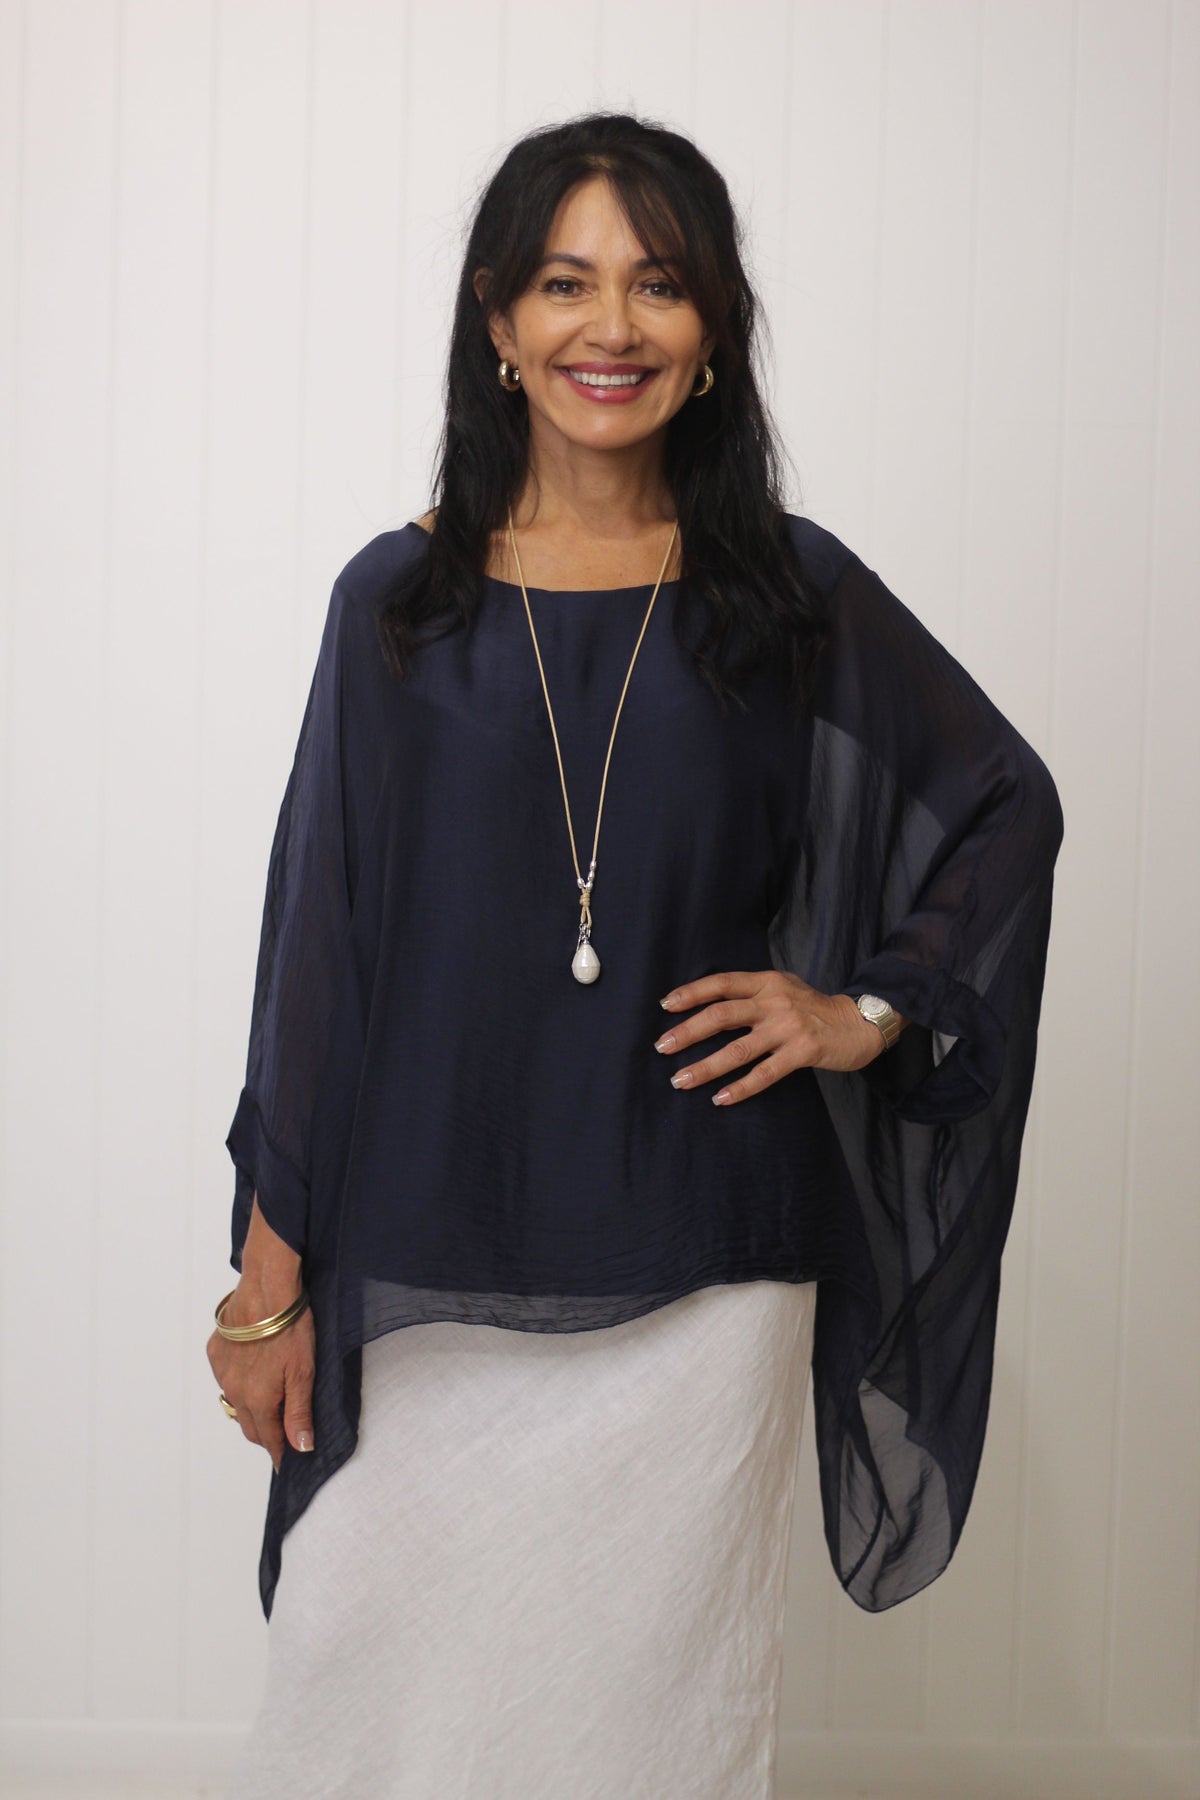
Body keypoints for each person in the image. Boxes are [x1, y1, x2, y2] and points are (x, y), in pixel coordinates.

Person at [209, 111, 1064, 1800]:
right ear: (498, 321)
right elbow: (321, 950)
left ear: (715, 327)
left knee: (643, 1728)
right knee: (355, 1670)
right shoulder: (398, 608)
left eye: (659, 285)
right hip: (429, 1251)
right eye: (566, 283)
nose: (613, 326)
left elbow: (1001, 801)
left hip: (703, 1259)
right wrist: (267, 1285)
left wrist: (867, 1008)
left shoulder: (787, 595)